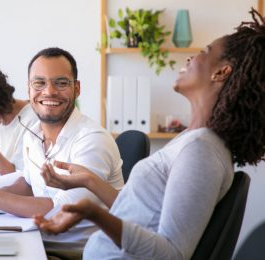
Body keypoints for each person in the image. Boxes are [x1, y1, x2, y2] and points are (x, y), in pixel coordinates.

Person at [34, 8, 265, 259]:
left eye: (203, 53)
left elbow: (172, 253)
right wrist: (88, 181)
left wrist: (94, 213)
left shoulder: (202, 151)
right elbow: (139, 212)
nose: (189, 60)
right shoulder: (194, 141)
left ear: (221, 72)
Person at [0, 48, 124, 253]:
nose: (49, 91)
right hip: (37, 242)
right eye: (39, 83)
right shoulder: (32, 133)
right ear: (29, 89)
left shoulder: (92, 140)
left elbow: (59, 210)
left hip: (76, 254)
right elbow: (28, 183)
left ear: (77, 88)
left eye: (61, 83)